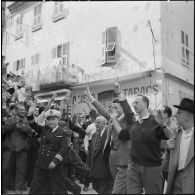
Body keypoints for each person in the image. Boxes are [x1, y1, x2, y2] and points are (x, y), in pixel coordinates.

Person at [109, 94, 172, 194]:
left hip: (151, 168)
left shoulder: (155, 121)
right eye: (133, 103)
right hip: (133, 167)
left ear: (145, 104)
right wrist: (113, 119)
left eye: (136, 102)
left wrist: (163, 125)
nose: (134, 104)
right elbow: (121, 134)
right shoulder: (135, 124)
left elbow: (170, 136)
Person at [85, 85, 134, 194]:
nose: (114, 110)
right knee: (115, 183)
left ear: (122, 108)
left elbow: (129, 111)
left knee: (122, 186)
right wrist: (91, 98)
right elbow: (101, 109)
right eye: (112, 107)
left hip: (124, 156)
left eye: (116, 107)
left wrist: (119, 93)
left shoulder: (129, 119)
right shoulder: (112, 118)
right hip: (111, 156)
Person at [27, 107, 69, 194]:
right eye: (49, 119)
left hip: (54, 165)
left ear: (58, 119)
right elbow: (33, 124)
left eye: (53, 119)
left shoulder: (63, 132)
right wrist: (30, 114)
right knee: (35, 186)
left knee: (59, 187)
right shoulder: (44, 129)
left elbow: (63, 149)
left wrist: (55, 161)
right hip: (41, 163)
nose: (50, 122)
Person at [2, 104, 34, 194]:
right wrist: (14, 123)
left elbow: (29, 131)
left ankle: (18, 187)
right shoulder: (10, 119)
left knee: (21, 169)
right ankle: (4, 186)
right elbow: (5, 130)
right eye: (21, 110)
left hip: (22, 148)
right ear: (16, 111)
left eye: (24, 110)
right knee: (6, 169)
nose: (23, 111)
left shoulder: (26, 120)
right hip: (9, 148)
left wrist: (21, 127)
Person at [166, 98, 194, 194]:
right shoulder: (176, 134)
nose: (175, 115)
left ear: (189, 116)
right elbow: (169, 160)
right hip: (176, 180)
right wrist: (169, 149)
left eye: (179, 112)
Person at [90, 115, 113, 194]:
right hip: (94, 169)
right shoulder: (94, 135)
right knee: (96, 187)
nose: (96, 124)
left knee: (104, 190)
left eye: (98, 123)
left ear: (104, 123)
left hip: (105, 169)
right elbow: (92, 152)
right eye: (95, 123)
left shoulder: (109, 134)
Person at [160, 106, 177, 193]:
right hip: (159, 162)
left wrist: (162, 144)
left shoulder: (173, 127)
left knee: (172, 188)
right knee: (159, 188)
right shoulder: (159, 123)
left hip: (168, 164)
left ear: (165, 114)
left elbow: (172, 143)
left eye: (160, 112)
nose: (158, 114)